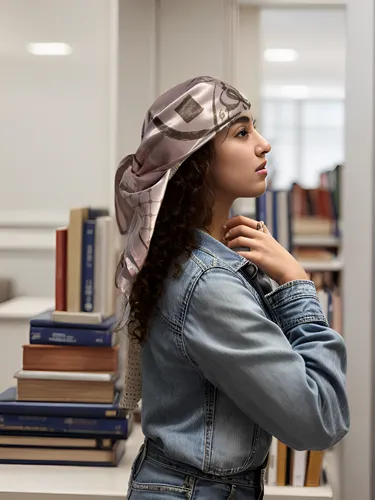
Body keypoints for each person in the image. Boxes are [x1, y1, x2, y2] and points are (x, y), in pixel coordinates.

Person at [114, 76, 350, 499]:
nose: (264, 144)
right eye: (242, 133)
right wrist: (297, 284)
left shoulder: (185, 257)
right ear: (198, 159)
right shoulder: (207, 285)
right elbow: (319, 419)